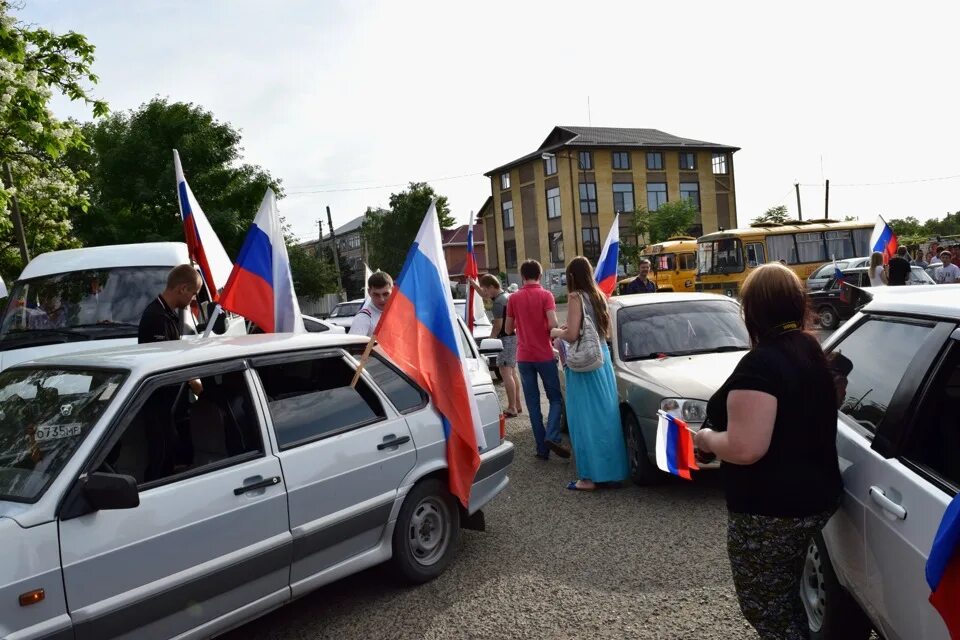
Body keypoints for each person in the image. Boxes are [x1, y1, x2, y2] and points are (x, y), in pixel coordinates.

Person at [692, 263, 842, 639]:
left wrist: (707, 439)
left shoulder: (760, 365)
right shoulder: (809, 348)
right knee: (787, 598)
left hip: (772, 510)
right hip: (815, 496)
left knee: (768, 611)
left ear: (752, 310)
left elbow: (746, 448)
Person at [550, 256, 629, 491]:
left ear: (571, 276)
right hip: (601, 360)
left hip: (583, 367)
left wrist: (556, 331)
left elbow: (573, 335)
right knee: (605, 419)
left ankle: (588, 478)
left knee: (583, 421)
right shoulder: (600, 296)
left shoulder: (575, 297)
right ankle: (611, 473)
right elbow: (602, 332)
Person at [137, 264, 204, 481]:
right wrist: (193, 379)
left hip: (169, 405)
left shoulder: (167, 314)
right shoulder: (156, 318)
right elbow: (163, 362)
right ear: (182, 288)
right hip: (159, 404)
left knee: (169, 458)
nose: (193, 299)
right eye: (194, 293)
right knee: (161, 461)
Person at [506, 260, 568, 460]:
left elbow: (507, 329)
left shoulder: (513, 298)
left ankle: (542, 449)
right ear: (540, 276)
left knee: (532, 403)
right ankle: (552, 435)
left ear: (522, 276)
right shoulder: (546, 295)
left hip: (524, 357)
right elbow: (552, 324)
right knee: (555, 398)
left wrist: (521, 326)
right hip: (544, 354)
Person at [472, 274, 522, 416]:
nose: (485, 294)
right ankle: (517, 404)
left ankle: (512, 407)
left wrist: (489, 341)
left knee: (505, 373)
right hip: (513, 337)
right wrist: (473, 284)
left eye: (486, 290)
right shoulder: (504, 296)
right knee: (511, 372)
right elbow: (483, 295)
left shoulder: (499, 302)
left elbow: (498, 325)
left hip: (505, 339)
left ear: (492, 287)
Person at [349, 271, 393, 337]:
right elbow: (353, 346)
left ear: (393, 290)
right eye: (376, 295)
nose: (381, 299)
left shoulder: (400, 312)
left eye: (386, 294)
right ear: (369, 292)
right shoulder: (363, 317)